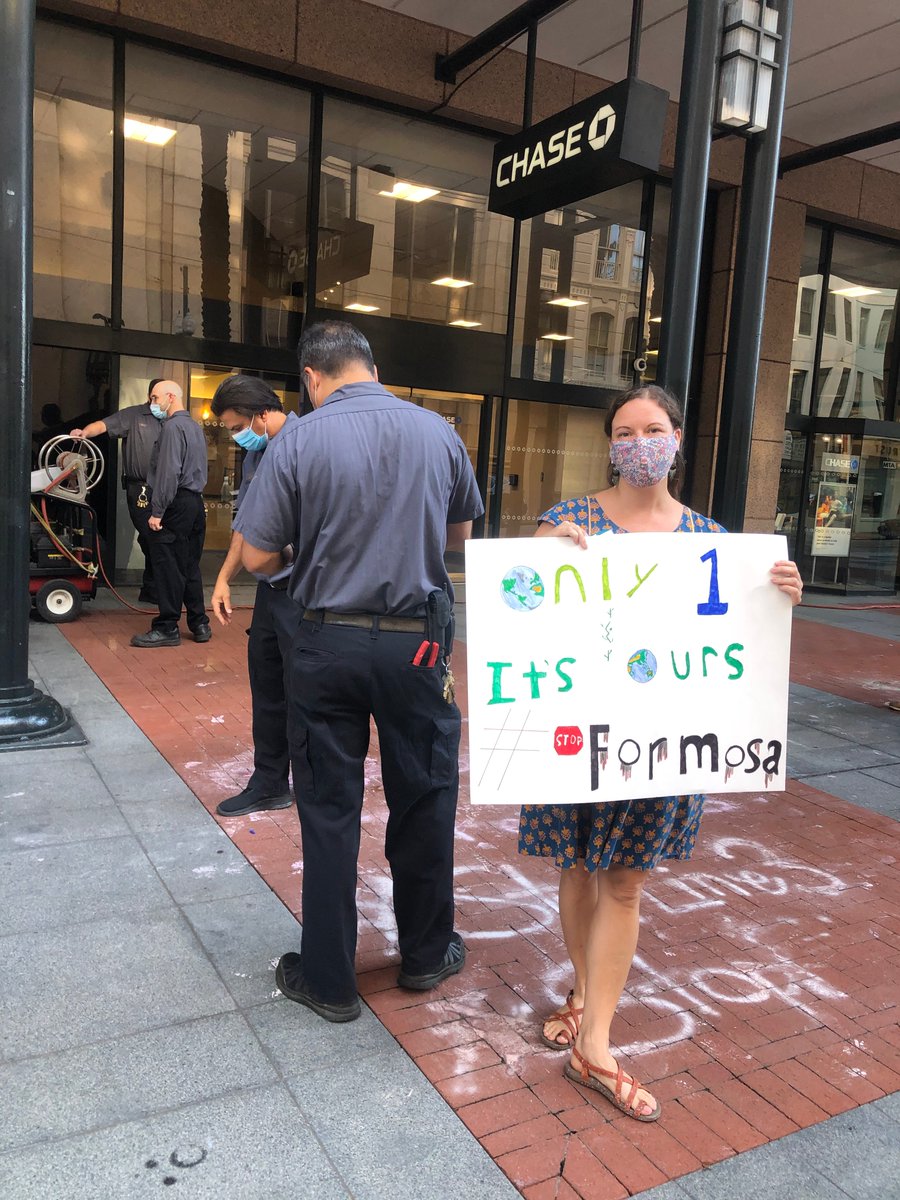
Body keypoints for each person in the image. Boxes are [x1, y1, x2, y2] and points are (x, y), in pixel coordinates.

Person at [521, 384, 803, 1123]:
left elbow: (739, 641)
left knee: (624, 883)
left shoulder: (714, 541)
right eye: (623, 431)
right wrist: (538, 562)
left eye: (651, 429)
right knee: (578, 868)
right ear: (609, 443)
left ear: (677, 438)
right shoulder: (569, 521)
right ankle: (583, 996)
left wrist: (777, 596)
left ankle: (597, 1043)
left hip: (664, 746)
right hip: (580, 735)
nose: (637, 442)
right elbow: (521, 607)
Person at [236, 320, 483, 1023]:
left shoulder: (297, 441)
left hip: (325, 643)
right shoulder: (438, 433)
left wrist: (307, 563)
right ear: (371, 367)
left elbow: (256, 558)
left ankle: (330, 981)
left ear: (312, 378)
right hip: (418, 647)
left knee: (328, 808)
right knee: (426, 793)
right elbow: (458, 537)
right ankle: (427, 953)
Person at [210, 375, 300, 817]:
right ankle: (269, 782)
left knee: (301, 692)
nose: (234, 436)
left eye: (235, 426)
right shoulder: (256, 454)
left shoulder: (307, 443)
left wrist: (288, 556)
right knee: (266, 686)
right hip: (271, 591)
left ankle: (314, 783)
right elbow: (246, 521)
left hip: (305, 593)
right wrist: (225, 576)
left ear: (261, 414)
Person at [130, 380, 211, 648]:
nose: (152, 403)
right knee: (188, 564)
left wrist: (157, 511)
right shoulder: (194, 427)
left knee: (167, 566)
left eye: (155, 397)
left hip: (174, 504)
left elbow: (168, 473)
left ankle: (167, 627)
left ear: (170, 396)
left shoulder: (173, 427)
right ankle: (199, 623)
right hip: (195, 503)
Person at [71, 379, 164, 603]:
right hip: (140, 487)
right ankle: (155, 587)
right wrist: (84, 432)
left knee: (162, 537)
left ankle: (154, 588)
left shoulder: (175, 419)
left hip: (168, 488)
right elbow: (102, 425)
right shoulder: (134, 415)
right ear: (151, 395)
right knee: (151, 536)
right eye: (156, 396)